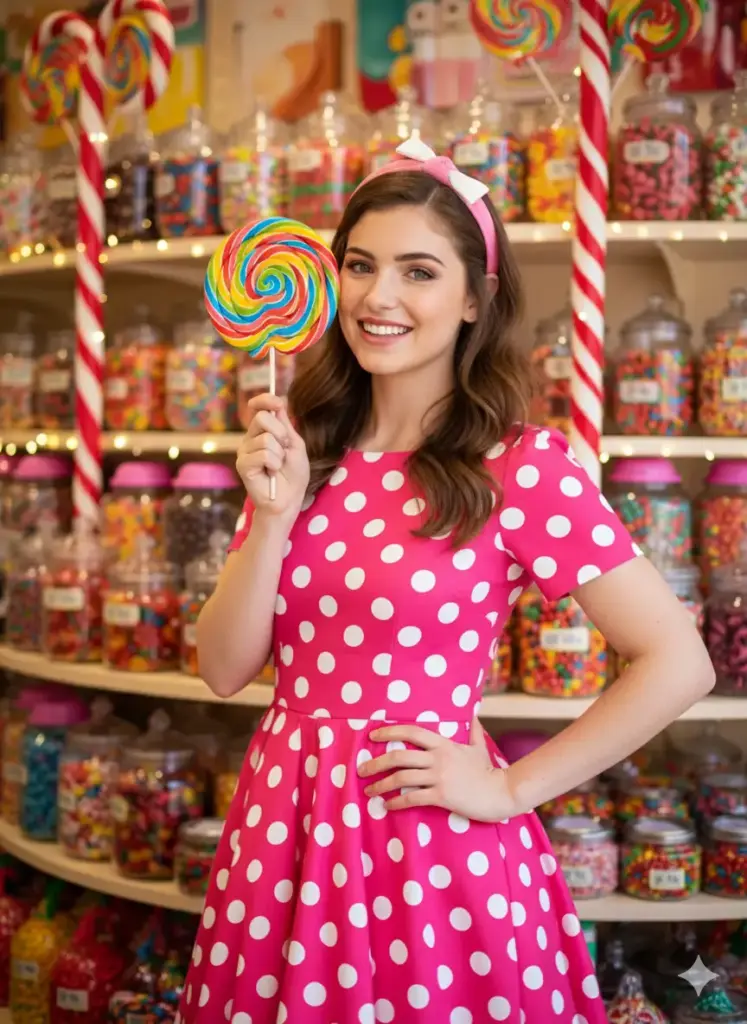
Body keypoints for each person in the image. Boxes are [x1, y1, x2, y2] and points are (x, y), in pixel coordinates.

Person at [177, 138, 714, 1024]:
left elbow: (677, 659)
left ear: (473, 300)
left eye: (417, 271)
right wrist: (272, 515)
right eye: (358, 265)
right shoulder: (299, 451)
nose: (378, 297)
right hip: (286, 823)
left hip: (427, 840)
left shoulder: (519, 466)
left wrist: (508, 789)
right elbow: (223, 669)